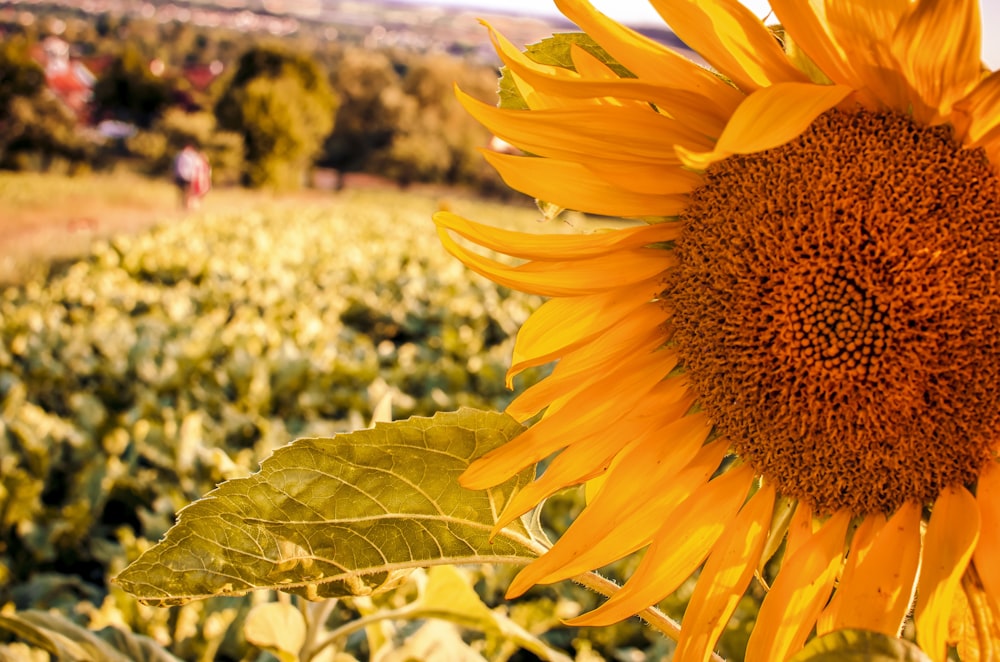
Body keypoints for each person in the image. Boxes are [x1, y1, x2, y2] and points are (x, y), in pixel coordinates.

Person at [173, 144, 212, 210]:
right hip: (191, 178)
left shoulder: (179, 156)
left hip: (186, 178)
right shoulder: (192, 157)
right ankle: (188, 207)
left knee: (187, 194)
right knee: (190, 194)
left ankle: (186, 206)